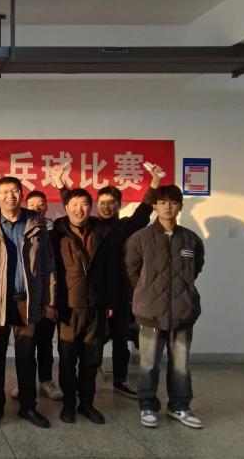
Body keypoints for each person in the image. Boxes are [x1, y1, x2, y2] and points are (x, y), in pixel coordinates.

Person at [51, 162, 163, 398]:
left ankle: (119, 379)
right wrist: (60, 183)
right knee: (84, 346)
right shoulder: (91, 226)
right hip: (88, 295)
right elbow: (73, 205)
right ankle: (78, 390)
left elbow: (143, 213)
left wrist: (154, 183)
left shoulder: (122, 227)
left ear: (119, 205)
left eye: (111, 203)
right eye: (102, 203)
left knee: (120, 336)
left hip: (118, 291)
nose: (106, 206)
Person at [0, 176, 57, 429]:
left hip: (27, 301)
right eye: (5, 192)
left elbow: (48, 265)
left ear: (21, 194)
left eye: (15, 191)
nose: (11, 196)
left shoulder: (36, 224)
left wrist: (49, 300)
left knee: (26, 357)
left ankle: (28, 407)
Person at [125, 185, 205, 429]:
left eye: (173, 202)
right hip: (150, 312)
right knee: (148, 363)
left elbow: (196, 268)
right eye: (162, 202)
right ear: (155, 206)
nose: (167, 207)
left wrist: (181, 293)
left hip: (182, 312)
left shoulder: (191, 239)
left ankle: (179, 406)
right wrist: (147, 293)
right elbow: (132, 270)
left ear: (180, 206)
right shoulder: (140, 238)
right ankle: (148, 406)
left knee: (180, 363)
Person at [51, 187, 109, 424]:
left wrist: (110, 300)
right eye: (74, 204)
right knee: (67, 359)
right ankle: (68, 404)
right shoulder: (56, 235)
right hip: (68, 307)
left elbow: (113, 268)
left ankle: (87, 404)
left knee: (91, 360)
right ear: (66, 207)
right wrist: (52, 302)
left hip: (96, 306)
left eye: (84, 204)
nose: (79, 209)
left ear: (90, 207)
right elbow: (50, 271)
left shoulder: (103, 232)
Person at [13, 190, 63, 401]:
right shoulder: (22, 229)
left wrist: (51, 300)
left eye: (40, 203)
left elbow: (51, 267)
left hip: (48, 293)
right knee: (26, 344)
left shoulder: (56, 229)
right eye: (32, 204)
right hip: (26, 297)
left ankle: (46, 380)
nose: (36, 207)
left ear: (46, 206)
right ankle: (23, 382)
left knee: (45, 341)